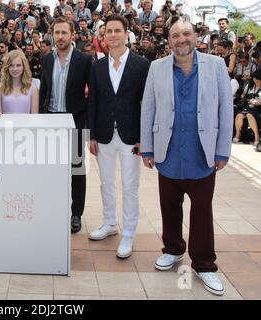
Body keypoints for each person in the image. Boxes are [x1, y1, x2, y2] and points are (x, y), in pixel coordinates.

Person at [140, 17, 233, 296]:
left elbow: (225, 109)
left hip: (201, 153)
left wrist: (222, 150)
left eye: (187, 33)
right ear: (169, 41)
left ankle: (204, 264)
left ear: (196, 37)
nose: (182, 39)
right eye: (176, 35)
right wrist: (147, 147)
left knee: (202, 211)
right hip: (168, 150)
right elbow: (149, 107)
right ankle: (172, 248)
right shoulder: (157, 68)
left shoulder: (215, 66)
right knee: (169, 206)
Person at [88, 15, 149, 258]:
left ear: (126, 34)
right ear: (104, 36)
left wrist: (144, 137)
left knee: (130, 185)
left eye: (117, 30)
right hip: (103, 134)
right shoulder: (97, 66)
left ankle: (129, 234)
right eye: (108, 31)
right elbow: (93, 101)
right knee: (107, 183)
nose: (112, 35)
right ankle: (110, 223)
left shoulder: (142, 64)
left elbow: (147, 103)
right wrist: (92, 135)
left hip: (131, 136)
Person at [39, 16, 92, 233]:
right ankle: (55, 210)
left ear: (72, 35)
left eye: (64, 33)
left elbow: (93, 94)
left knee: (76, 171)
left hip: (75, 121)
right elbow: (44, 89)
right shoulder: (47, 59)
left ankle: (76, 213)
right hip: (51, 120)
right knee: (52, 170)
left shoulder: (85, 60)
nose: (60, 37)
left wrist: (87, 123)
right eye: (56, 33)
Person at [0, 49, 38, 114]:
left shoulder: (33, 89)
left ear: (24, 66)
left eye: (18, 65)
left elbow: (35, 117)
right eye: (11, 65)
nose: (15, 69)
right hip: (6, 124)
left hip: (27, 124)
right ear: (7, 67)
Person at [233, 69, 261, 149]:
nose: (256, 81)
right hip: (247, 107)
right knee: (239, 115)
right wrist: (243, 98)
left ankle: (256, 136)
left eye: (258, 80)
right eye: (255, 79)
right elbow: (243, 95)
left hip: (257, 110)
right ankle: (238, 134)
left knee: (249, 115)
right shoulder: (249, 86)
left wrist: (257, 102)